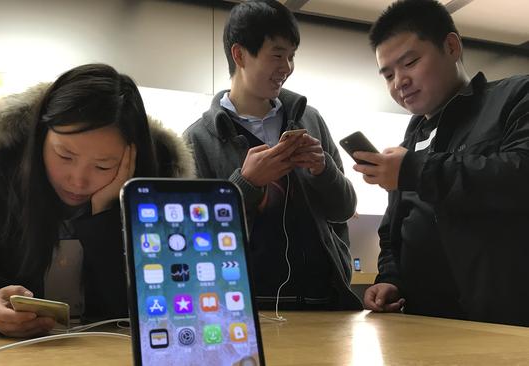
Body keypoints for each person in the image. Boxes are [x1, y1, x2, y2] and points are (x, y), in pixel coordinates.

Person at [0, 63, 195, 337]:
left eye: (103, 165)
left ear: (130, 160)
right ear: (40, 136)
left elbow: (163, 303)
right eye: (64, 156)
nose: (78, 180)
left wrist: (105, 213)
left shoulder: (153, 192)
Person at [355, 0, 529, 326]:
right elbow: (393, 231)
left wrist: (414, 170)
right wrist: (391, 279)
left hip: (504, 324)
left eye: (410, 62)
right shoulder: (410, 140)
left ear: (451, 46)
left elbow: (520, 175)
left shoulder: (515, 96)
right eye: (388, 74)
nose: (399, 82)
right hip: (424, 323)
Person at [183, 0, 362, 313]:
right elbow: (195, 237)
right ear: (239, 55)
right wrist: (246, 183)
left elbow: (344, 208)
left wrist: (324, 169)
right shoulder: (198, 139)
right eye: (277, 55)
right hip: (245, 307)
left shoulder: (311, 120)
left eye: (292, 56)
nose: (287, 67)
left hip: (326, 299)